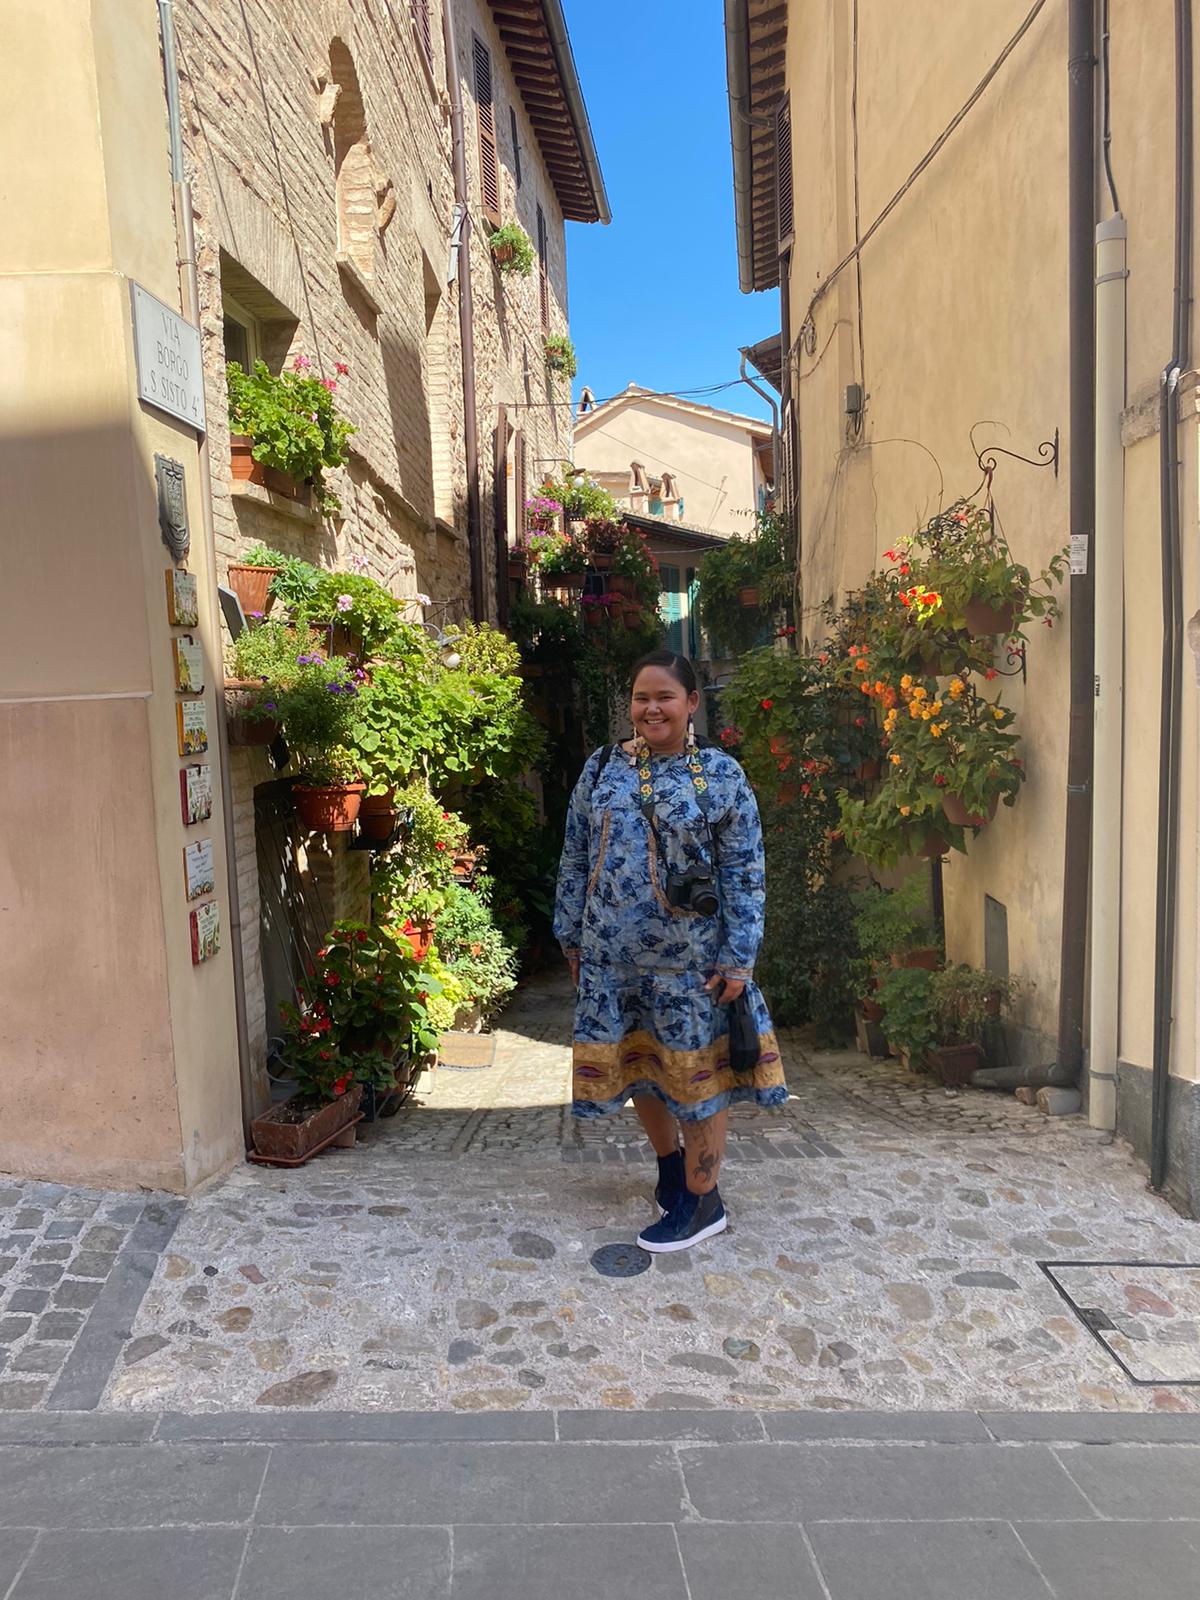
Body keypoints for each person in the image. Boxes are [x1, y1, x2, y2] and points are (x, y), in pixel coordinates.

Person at [554, 649, 787, 1253]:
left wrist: (740, 955)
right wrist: (571, 936)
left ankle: (704, 1201)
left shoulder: (720, 775)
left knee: (696, 1082)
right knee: (640, 1071)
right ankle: (670, 1171)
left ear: (691, 703)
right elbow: (576, 853)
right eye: (640, 696)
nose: (651, 707)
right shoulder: (603, 767)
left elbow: (744, 866)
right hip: (612, 958)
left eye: (664, 696)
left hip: (693, 965)